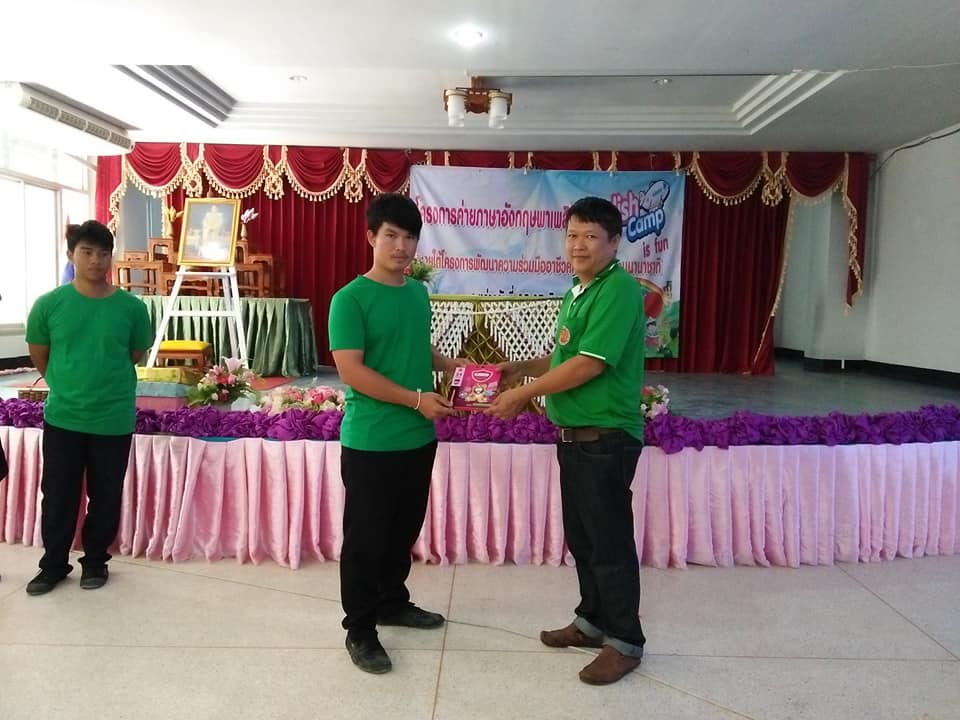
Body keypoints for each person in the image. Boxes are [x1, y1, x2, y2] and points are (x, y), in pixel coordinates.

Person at [487, 196, 648, 685]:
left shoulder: (618, 290)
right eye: (572, 235)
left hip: (605, 436)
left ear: (614, 243)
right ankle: (592, 621)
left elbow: (588, 365)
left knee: (608, 542)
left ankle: (625, 641)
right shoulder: (579, 290)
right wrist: (520, 368)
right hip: (575, 437)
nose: (579, 245)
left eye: (591, 236)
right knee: (583, 538)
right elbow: (564, 357)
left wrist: (522, 394)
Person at [328, 193, 463, 674]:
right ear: (371, 237)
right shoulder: (349, 299)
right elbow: (352, 371)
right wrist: (415, 399)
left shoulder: (416, 293)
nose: (401, 246)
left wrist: (453, 365)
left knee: (402, 530)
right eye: (391, 235)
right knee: (366, 540)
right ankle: (360, 628)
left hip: (418, 438)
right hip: (372, 441)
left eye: (409, 237)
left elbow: (415, 347)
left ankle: (392, 601)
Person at [25, 220, 153, 595]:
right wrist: (66, 383)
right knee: (58, 495)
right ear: (71, 255)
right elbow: (40, 355)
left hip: (113, 417)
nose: (96, 260)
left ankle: (95, 562)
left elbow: (134, 352)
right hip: (64, 416)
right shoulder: (49, 305)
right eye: (87, 252)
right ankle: (53, 565)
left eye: (103, 253)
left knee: (106, 495)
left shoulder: (131, 308)